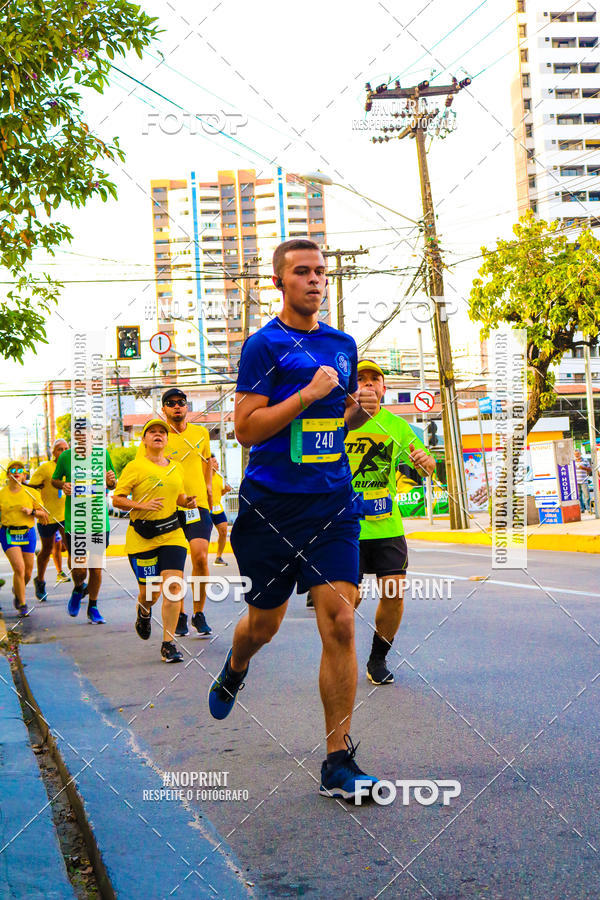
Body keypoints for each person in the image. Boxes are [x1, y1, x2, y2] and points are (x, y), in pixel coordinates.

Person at [207, 237, 380, 802]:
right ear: (278, 282)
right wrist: (307, 394)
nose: (314, 280)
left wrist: (358, 411)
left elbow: (336, 423)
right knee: (264, 625)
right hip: (271, 507)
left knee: (342, 621)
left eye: (320, 272)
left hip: (331, 503)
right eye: (302, 272)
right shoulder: (263, 346)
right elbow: (246, 429)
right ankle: (236, 664)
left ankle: (337, 761)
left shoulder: (342, 344)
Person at [345, 360, 435, 685]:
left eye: (375, 379)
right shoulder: (339, 422)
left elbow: (424, 466)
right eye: (360, 379)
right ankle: (339, 652)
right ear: (351, 386)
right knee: (348, 598)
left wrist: (426, 463)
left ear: (384, 388)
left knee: (394, 593)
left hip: (387, 525)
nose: (368, 384)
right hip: (346, 527)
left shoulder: (397, 426)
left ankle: (377, 659)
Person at [114, 419, 197, 663]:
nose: (158, 435)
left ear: (167, 440)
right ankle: (144, 610)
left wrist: (187, 501)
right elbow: (118, 499)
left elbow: (178, 496)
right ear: (144, 440)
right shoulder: (135, 466)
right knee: (150, 593)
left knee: (173, 587)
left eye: (162, 432)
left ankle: (168, 644)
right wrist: (142, 505)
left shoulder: (176, 468)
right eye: (152, 432)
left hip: (172, 533)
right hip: (142, 537)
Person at [138, 389, 213, 638]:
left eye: (181, 402)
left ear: (187, 407)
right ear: (164, 409)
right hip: (169, 509)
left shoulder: (201, 433)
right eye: (171, 403)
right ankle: (179, 613)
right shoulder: (158, 437)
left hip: (197, 505)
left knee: (200, 557)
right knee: (176, 567)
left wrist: (209, 490)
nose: (177, 406)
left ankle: (199, 613)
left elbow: (207, 463)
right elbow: (143, 467)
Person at [51, 440, 116, 623]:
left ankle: (93, 607)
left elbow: (112, 484)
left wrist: (111, 482)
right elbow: (54, 480)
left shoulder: (103, 455)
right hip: (76, 520)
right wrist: (63, 485)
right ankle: (79, 587)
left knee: (96, 567)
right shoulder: (66, 457)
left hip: (98, 521)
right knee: (79, 567)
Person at [0, 461, 48, 616]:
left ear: (24, 475)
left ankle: (17, 590)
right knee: (19, 568)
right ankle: (22, 604)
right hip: (9, 533)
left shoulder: (31, 493)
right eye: (13, 470)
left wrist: (31, 512)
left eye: (20, 470)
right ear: (8, 474)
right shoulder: (2, 494)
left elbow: (44, 514)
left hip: (27, 533)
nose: (16, 472)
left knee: (27, 572)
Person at [28, 438, 69, 601]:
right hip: (47, 516)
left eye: (66, 448)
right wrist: (38, 508)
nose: (64, 451)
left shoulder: (73, 467)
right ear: (53, 452)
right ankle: (40, 581)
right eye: (60, 449)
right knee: (46, 549)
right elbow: (31, 488)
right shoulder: (45, 468)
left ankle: (79, 583)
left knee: (72, 548)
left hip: (66, 516)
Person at [209, 454, 231, 565]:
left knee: (223, 532)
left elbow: (220, 493)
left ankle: (218, 557)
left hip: (217, 508)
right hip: (206, 509)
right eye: (214, 462)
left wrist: (226, 490)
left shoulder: (220, 477)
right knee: (204, 535)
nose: (217, 464)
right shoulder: (203, 477)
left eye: (217, 462)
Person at [574, 448, 592, 513]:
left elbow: (590, 469)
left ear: (580, 454)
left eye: (578, 454)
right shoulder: (573, 461)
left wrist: (583, 468)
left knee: (587, 495)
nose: (577, 455)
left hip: (584, 480)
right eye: (575, 454)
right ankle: (582, 509)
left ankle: (588, 509)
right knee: (579, 496)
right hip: (576, 481)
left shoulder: (585, 460)